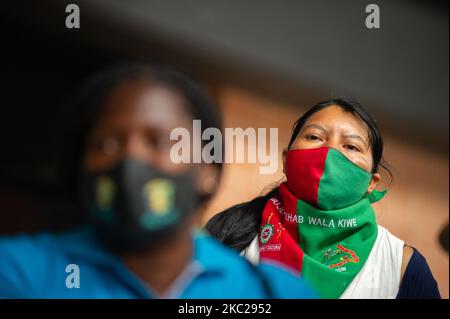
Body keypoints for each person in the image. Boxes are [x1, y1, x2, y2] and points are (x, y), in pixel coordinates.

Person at [0, 63, 315, 298]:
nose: (131, 158)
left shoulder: (273, 292)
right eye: (106, 144)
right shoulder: (17, 273)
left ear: (207, 170)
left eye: (159, 141)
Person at [206, 98, 441, 299]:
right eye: (315, 137)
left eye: (350, 146)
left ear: (371, 182)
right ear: (287, 160)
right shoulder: (231, 231)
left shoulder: (401, 265)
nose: (330, 152)